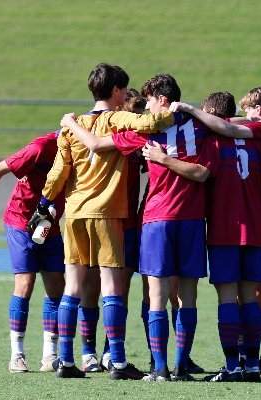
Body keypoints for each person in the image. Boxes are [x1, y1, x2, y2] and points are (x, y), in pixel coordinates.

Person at [60, 73, 217, 381]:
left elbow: (202, 174)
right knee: (164, 293)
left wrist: (71, 123)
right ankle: (161, 366)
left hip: (163, 219)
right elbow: (96, 144)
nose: (144, 110)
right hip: (175, 219)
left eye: (148, 102)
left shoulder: (172, 131)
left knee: (178, 294)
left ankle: (177, 365)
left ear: (162, 100)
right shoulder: (192, 129)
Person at [30, 64, 177, 379]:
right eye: (124, 91)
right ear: (116, 92)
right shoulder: (116, 118)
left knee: (73, 287)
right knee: (112, 285)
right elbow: (152, 121)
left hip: (74, 213)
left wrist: (44, 203)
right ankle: (119, 362)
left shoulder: (73, 125)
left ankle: (67, 361)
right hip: (106, 212)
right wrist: (173, 109)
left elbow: (58, 172)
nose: (125, 96)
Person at [144, 91, 261, 383]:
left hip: (224, 230)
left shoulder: (213, 143)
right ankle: (253, 365)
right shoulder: (258, 142)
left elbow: (200, 173)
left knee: (228, 298)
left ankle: (232, 366)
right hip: (255, 229)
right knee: (250, 298)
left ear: (212, 115)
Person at [0, 132, 65, 373]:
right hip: (21, 221)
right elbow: (1, 168)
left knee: (56, 287)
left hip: (49, 226)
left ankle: (49, 355)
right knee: (25, 283)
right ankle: (17, 355)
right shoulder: (41, 147)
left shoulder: (84, 150)